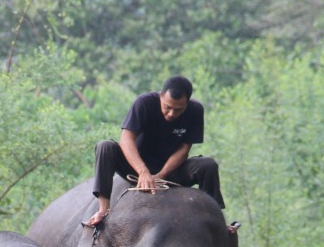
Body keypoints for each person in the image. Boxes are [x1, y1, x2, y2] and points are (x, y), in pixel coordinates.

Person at [85, 75, 223, 227]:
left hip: (171, 172)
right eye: (167, 107)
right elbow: (126, 139)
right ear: (160, 96)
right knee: (105, 146)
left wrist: (160, 176)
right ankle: (103, 209)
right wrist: (144, 173)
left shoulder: (196, 110)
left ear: (187, 103)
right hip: (136, 169)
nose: (171, 114)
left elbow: (184, 149)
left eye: (178, 110)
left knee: (208, 165)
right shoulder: (144, 103)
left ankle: (215, 218)